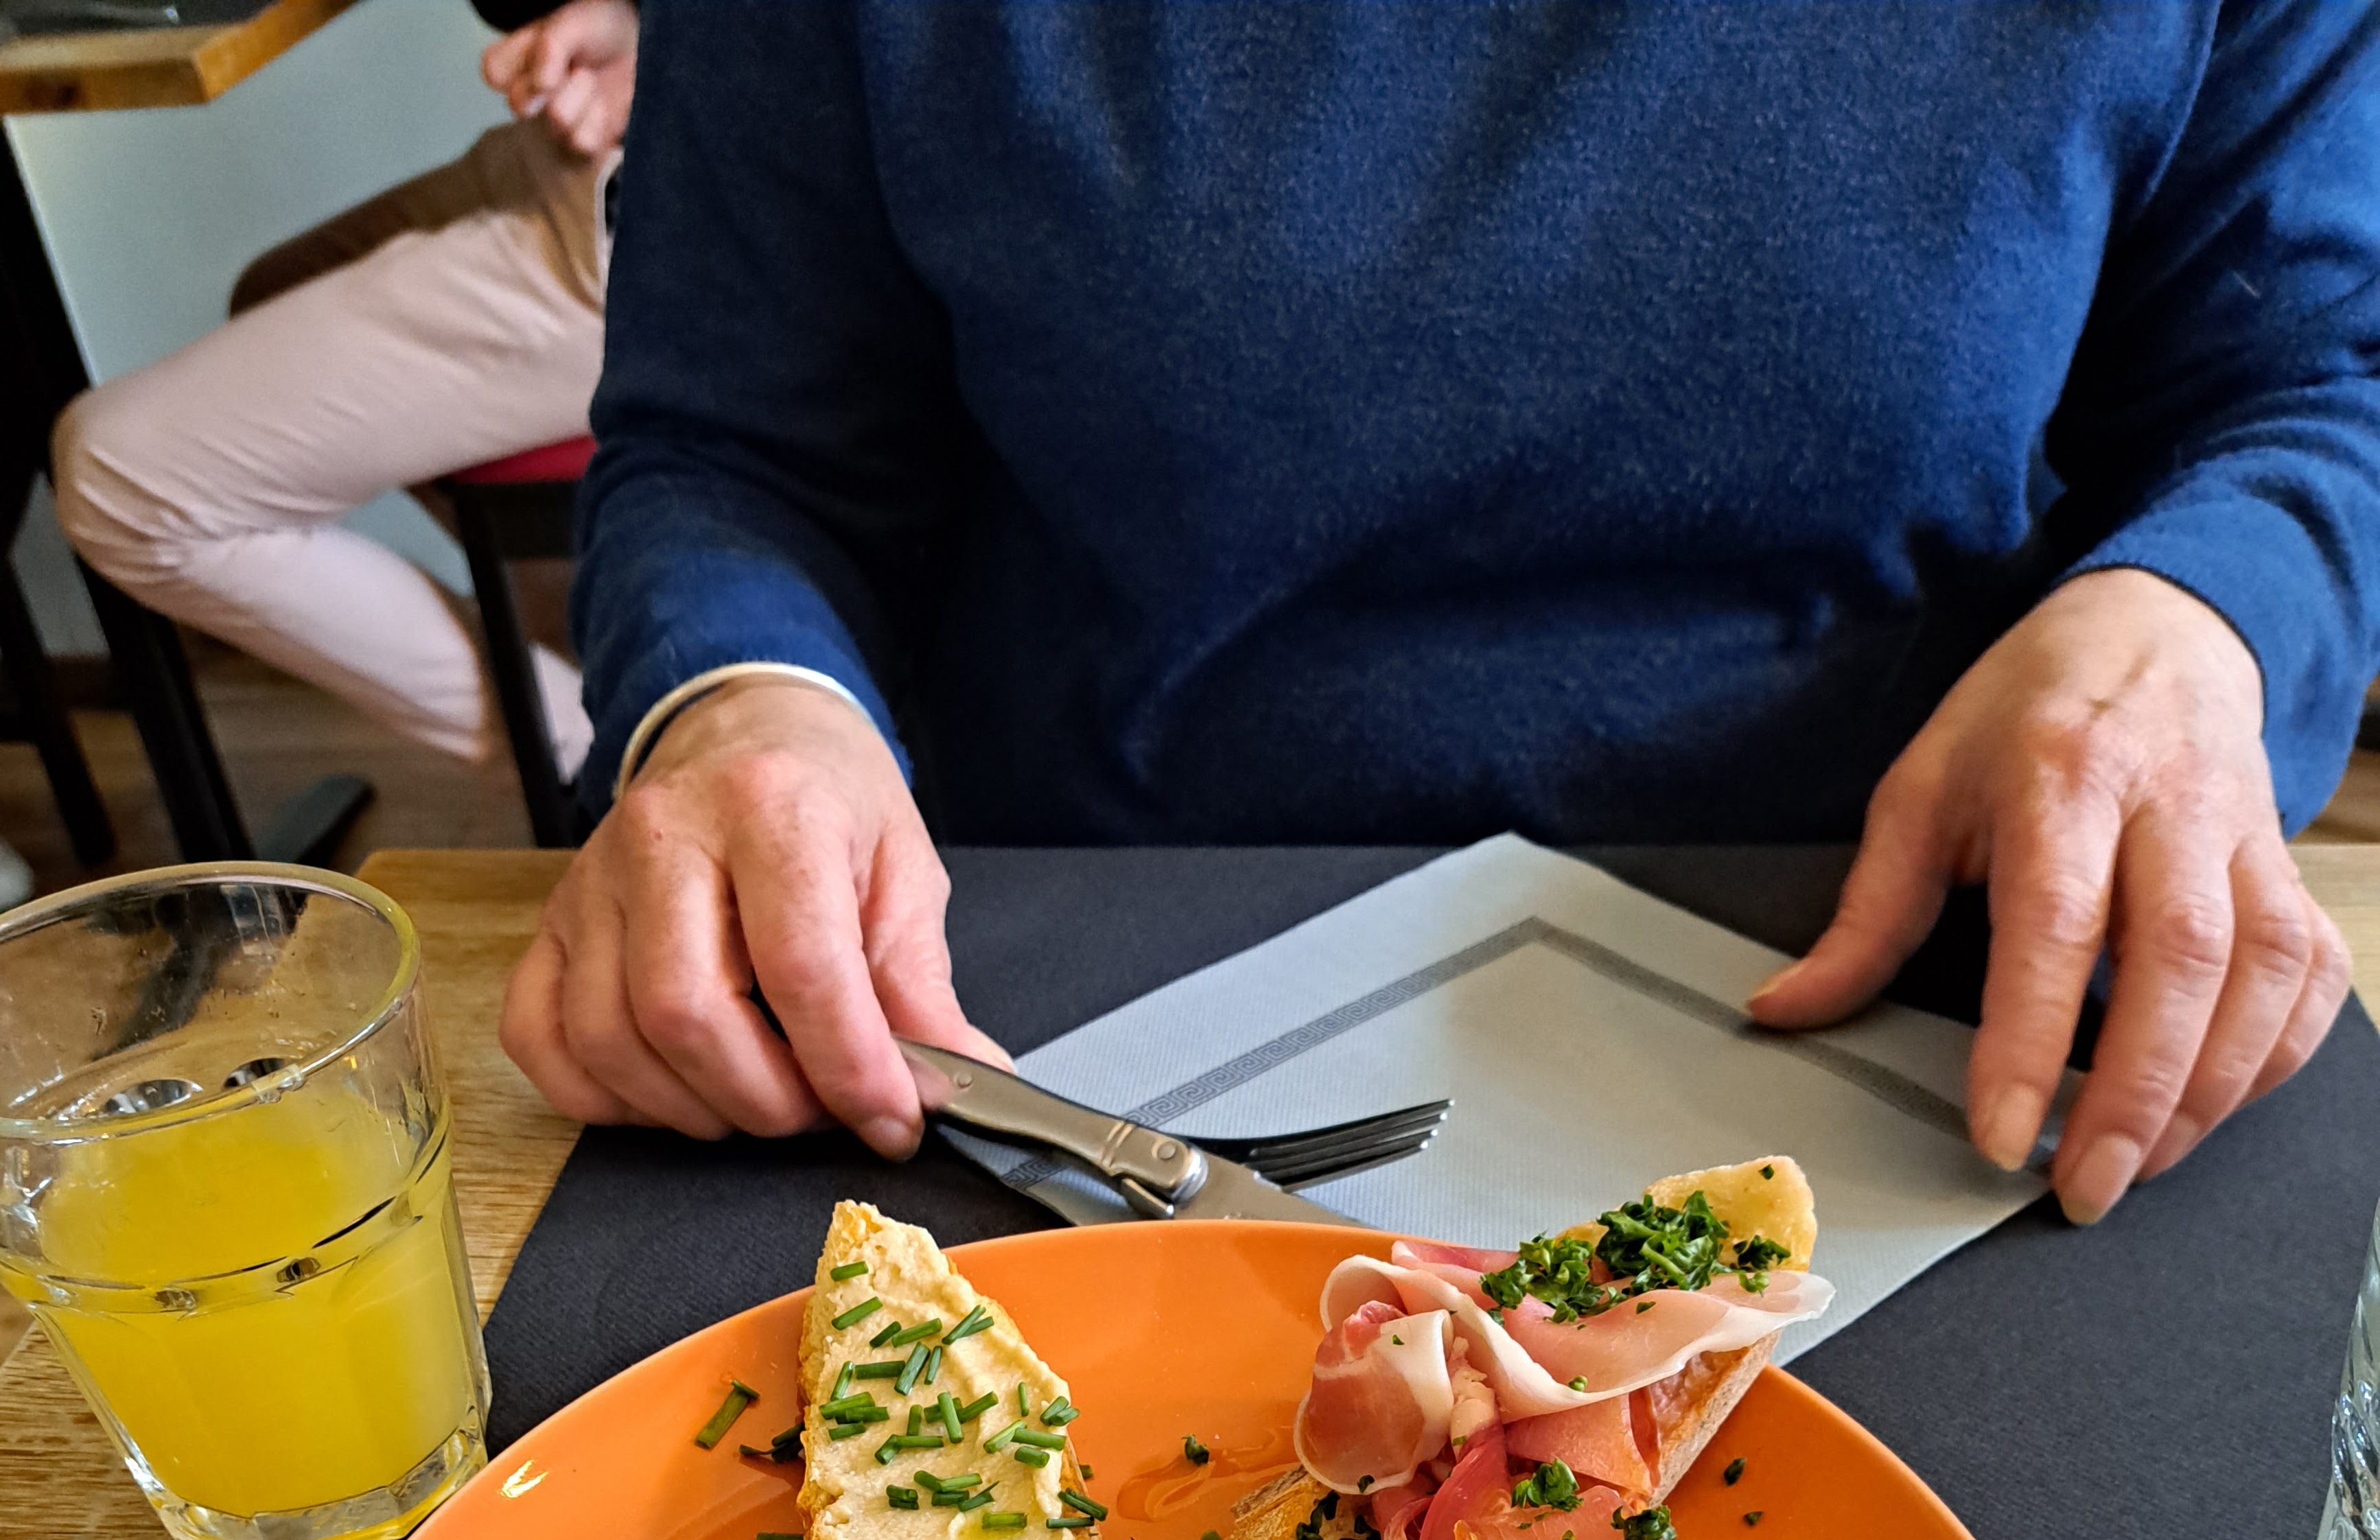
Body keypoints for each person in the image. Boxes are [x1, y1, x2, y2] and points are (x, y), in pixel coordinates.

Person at [504, 1, 2380, 1224]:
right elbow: (734, 449)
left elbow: (2311, 381)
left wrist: (2196, 614)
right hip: (1039, 1019)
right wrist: (744, 700)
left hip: (1916, 991)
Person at [49, 0, 638, 789]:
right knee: (275, 293)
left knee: (119, 479)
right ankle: (594, 657)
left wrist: (676, 44)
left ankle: (608, 753)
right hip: (570, 136)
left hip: (661, 208)